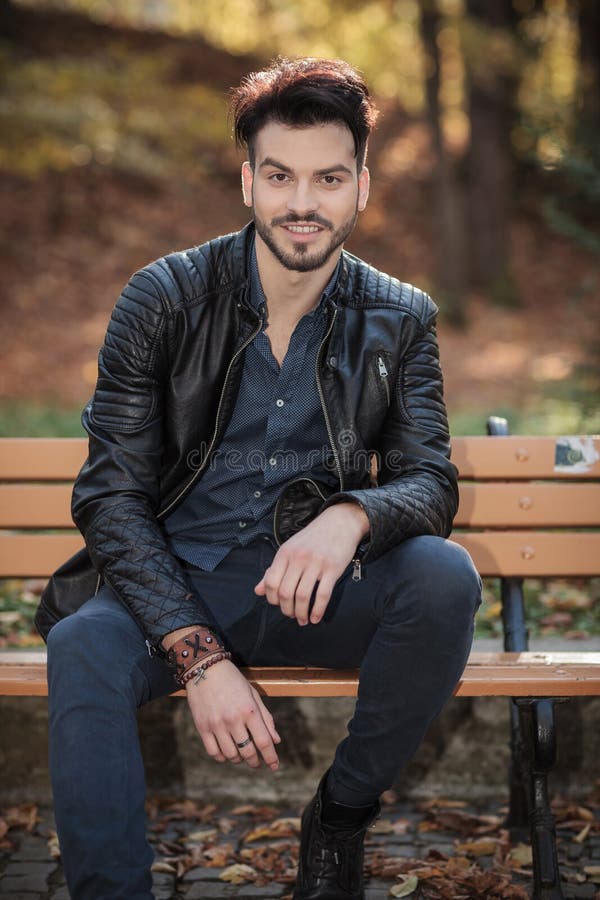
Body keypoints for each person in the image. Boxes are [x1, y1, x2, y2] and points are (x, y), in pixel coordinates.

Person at [38, 57, 482, 900]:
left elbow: (430, 481)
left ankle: (341, 816)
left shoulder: (401, 315)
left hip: (310, 591)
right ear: (248, 181)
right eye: (280, 176)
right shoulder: (163, 298)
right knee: (81, 645)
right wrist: (198, 653)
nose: (302, 204)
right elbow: (110, 494)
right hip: (176, 581)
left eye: (328, 178)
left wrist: (351, 516)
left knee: (442, 576)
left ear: (362, 189)